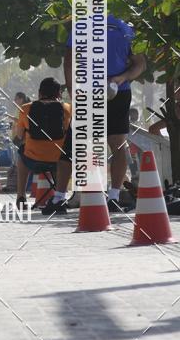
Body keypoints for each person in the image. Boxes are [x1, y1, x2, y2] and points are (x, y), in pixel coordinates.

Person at [42, 14, 147, 215]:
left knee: (74, 147)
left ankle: (59, 198)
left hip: (100, 92)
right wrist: (121, 78)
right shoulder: (125, 26)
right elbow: (140, 64)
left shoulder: (88, 24)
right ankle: (113, 197)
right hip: (113, 91)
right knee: (114, 145)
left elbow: (69, 61)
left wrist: (74, 92)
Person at [14, 78, 71, 208]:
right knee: (65, 151)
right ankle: (59, 195)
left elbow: (19, 135)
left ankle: (21, 196)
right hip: (59, 161)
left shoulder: (25, 109)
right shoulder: (68, 109)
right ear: (59, 94)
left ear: (39, 93)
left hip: (33, 160)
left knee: (21, 152)